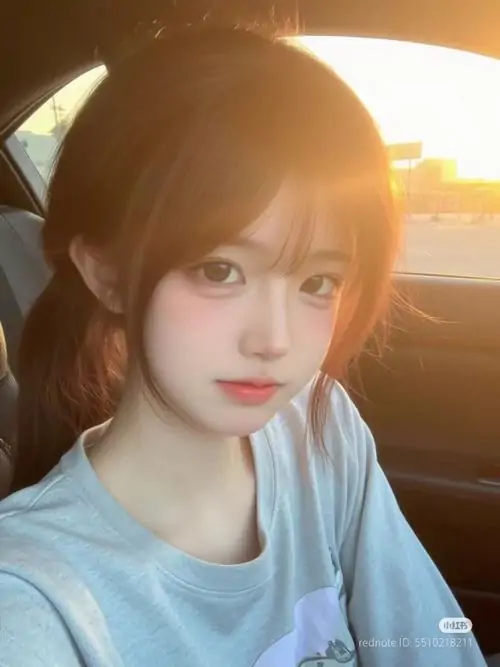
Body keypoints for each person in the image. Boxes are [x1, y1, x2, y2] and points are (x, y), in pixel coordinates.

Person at [0, 25, 487, 667]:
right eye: (219, 270)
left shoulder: (318, 428)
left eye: (317, 282)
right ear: (107, 273)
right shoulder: (31, 602)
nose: (275, 341)